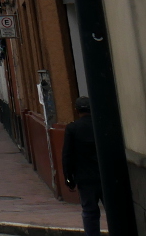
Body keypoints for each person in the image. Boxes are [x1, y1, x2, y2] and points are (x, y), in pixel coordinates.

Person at [63, 97, 102, 236]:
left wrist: (69, 178)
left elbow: (67, 155)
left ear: (77, 110)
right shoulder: (100, 125)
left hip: (84, 178)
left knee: (89, 211)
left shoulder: (72, 128)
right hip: (104, 176)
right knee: (113, 209)